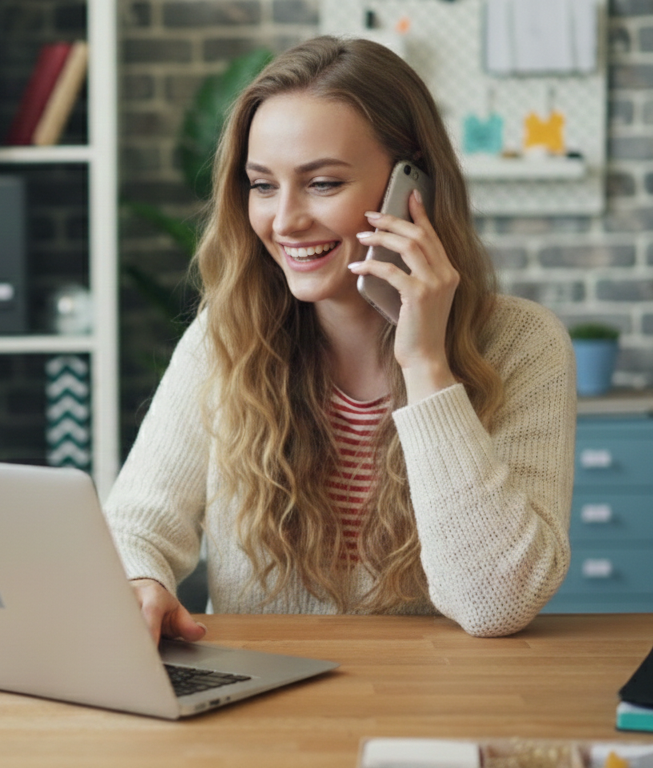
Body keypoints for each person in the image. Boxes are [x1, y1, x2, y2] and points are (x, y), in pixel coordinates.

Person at [104, 35, 576, 642]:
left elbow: (496, 603)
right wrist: (142, 581)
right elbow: (135, 528)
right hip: (272, 707)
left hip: (445, 708)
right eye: (263, 185)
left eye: (322, 183)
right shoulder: (227, 337)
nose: (284, 220)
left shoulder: (522, 342)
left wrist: (426, 363)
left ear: (412, 188)